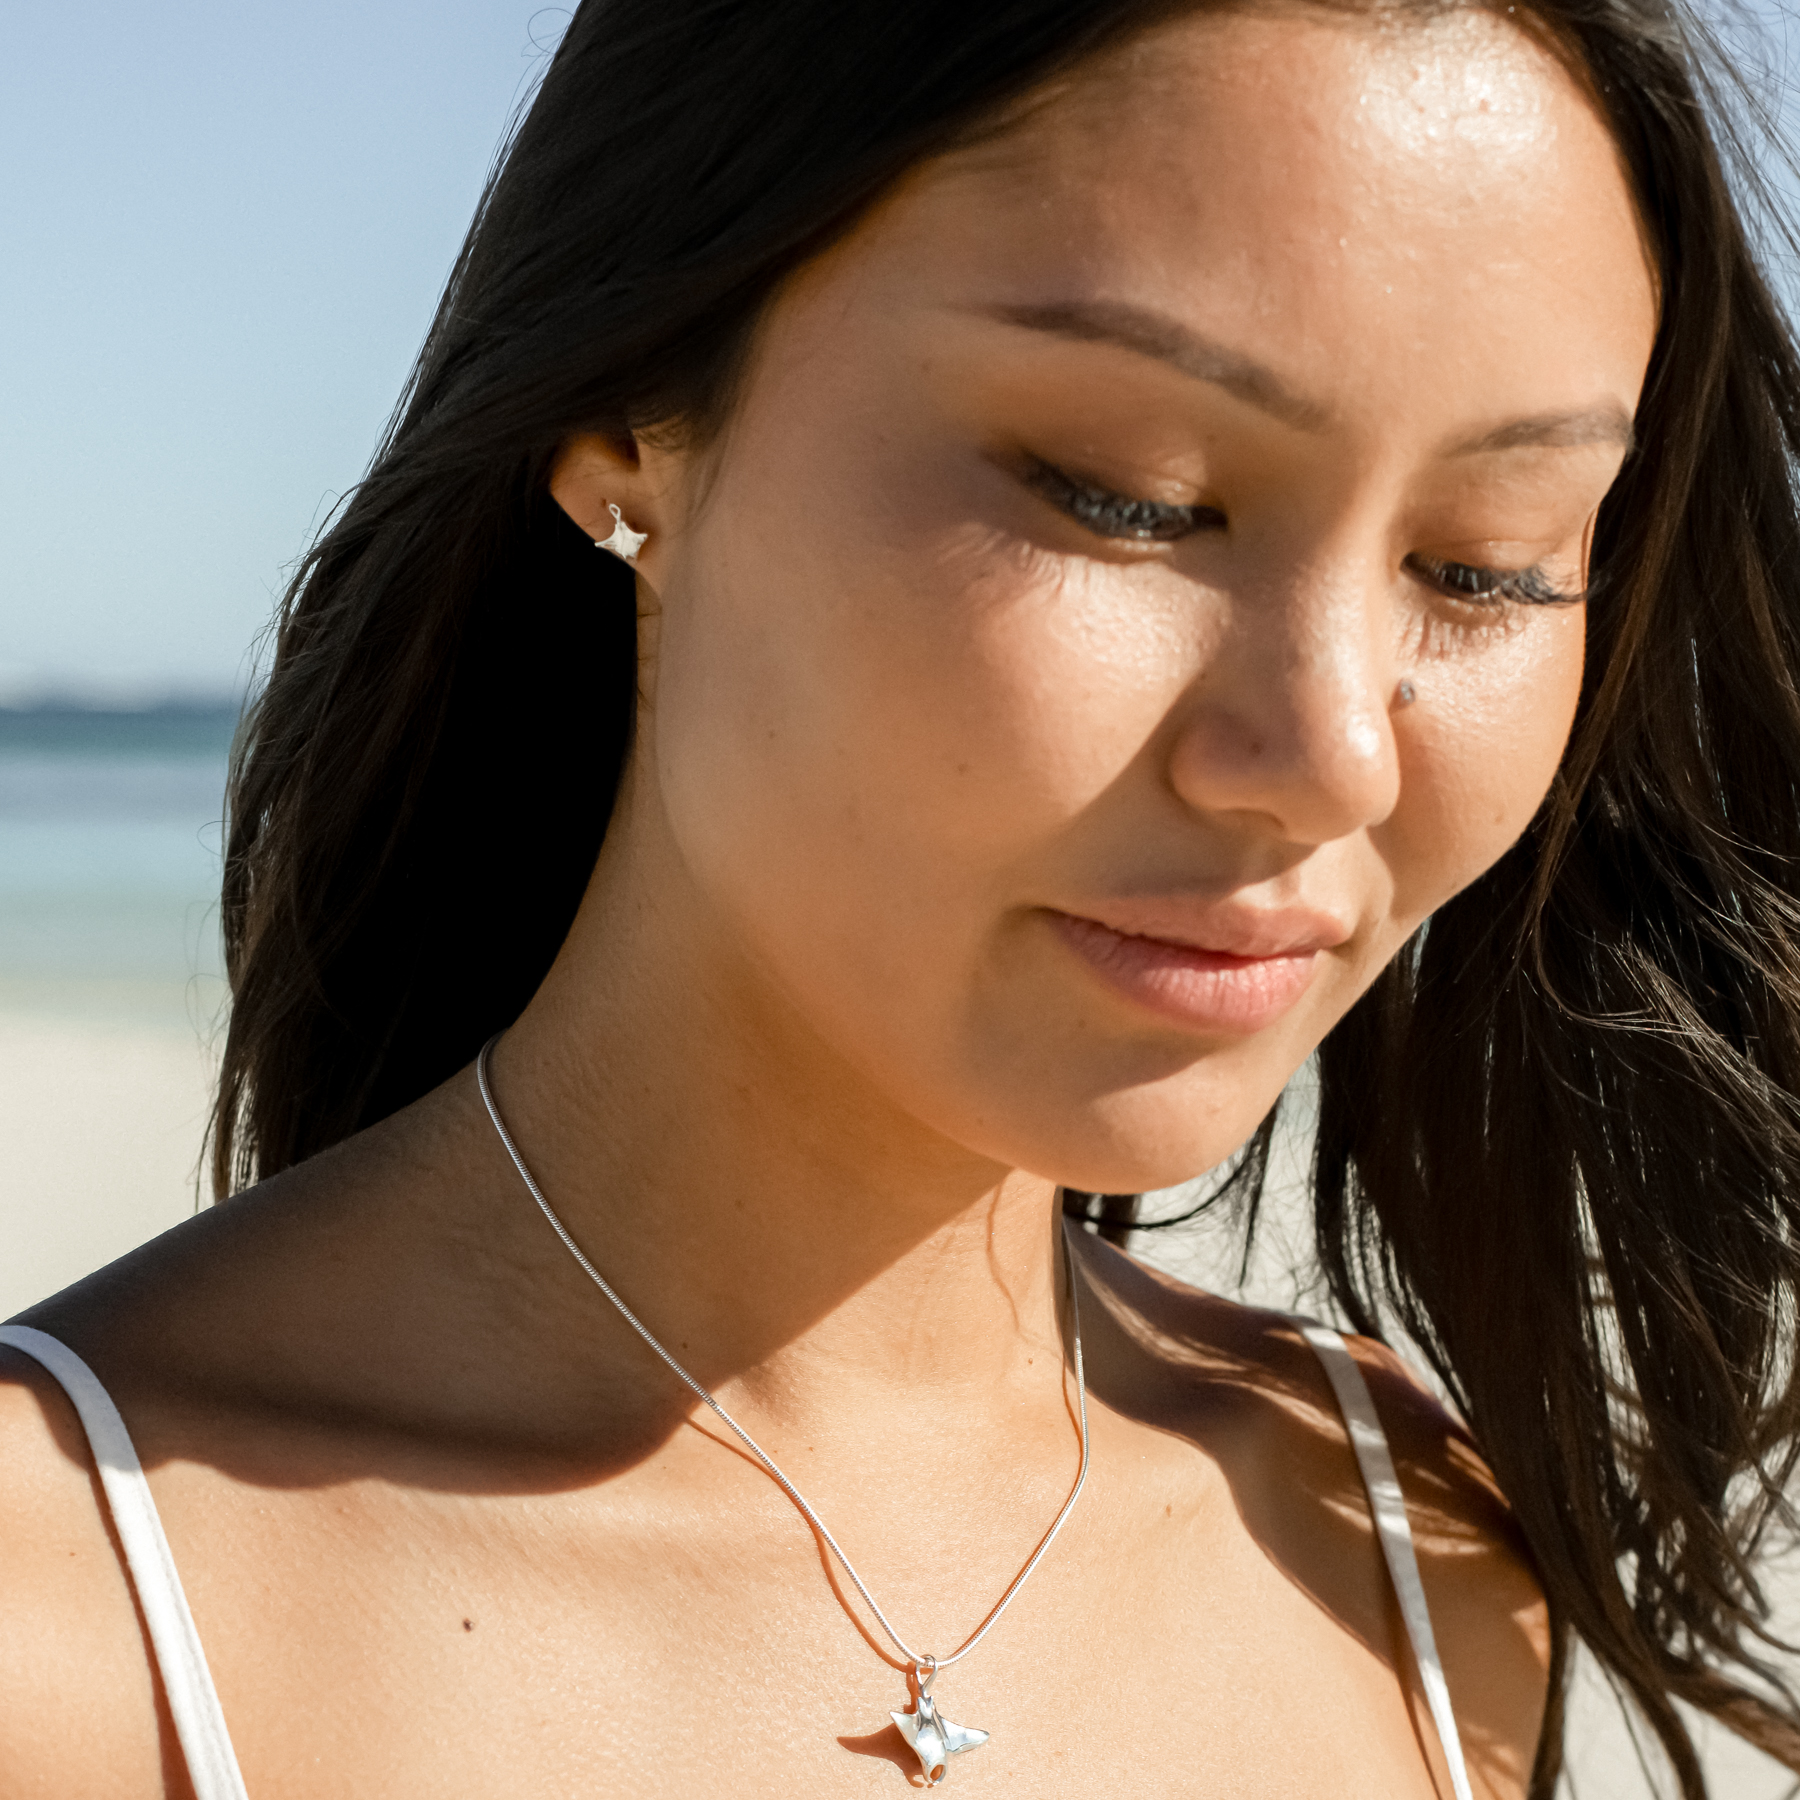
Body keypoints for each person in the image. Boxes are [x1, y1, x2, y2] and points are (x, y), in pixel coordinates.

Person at [5, 0, 1800, 1792]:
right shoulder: (68, 1619)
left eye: (1485, 567)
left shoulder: (1397, 1545)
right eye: (1130, 497)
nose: (1335, 749)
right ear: (630, 414)